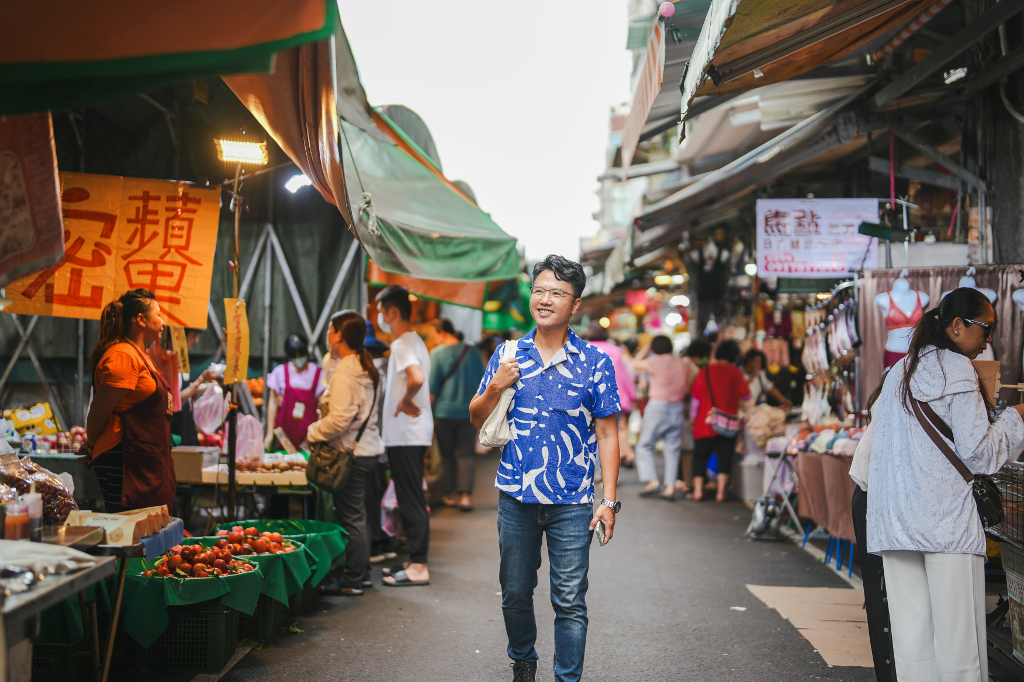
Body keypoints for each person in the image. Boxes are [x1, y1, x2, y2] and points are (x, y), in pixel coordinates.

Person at [470, 255, 621, 682]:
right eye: (539, 290)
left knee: (570, 600)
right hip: (515, 497)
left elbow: (609, 435)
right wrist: (497, 385)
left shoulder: (595, 362)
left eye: (556, 293)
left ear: (575, 305)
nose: (545, 299)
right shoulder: (507, 354)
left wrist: (607, 500)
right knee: (515, 594)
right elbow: (475, 417)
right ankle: (523, 658)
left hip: (572, 501)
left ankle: (566, 679)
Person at [866, 288, 1024, 681]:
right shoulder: (958, 369)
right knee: (958, 643)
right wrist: (1017, 417)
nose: (989, 339)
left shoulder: (898, 371)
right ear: (957, 326)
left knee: (911, 641)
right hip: (945, 522)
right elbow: (981, 455)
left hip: (894, 522)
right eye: (985, 328)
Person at [307, 314, 383, 596]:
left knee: (352, 518)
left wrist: (312, 432)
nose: (328, 334)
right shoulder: (362, 365)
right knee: (358, 516)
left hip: (352, 452)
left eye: (330, 330)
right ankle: (359, 575)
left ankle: (352, 579)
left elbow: (339, 419)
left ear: (339, 335)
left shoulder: (347, 370)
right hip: (366, 449)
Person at [84, 289, 176, 512]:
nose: (163, 322)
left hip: (147, 462)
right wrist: (91, 446)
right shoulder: (123, 356)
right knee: (127, 535)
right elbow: (98, 412)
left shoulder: (141, 356)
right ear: (141, 319)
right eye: (158, 314)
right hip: (127, 464)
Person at [376, 286, 434, 586]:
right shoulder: (415, 341)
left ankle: (419, 566)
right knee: (411, 496)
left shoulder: (401, 344)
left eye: (381, 312)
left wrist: (407, 399)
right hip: (411, 434)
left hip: (406, 435)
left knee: (410, 499)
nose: (379, 317)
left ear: (393, 312)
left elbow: (417, 378)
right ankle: (414, 558)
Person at [429, 317, 485, 512]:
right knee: (466, 454)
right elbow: (483, 383)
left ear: (442, 332)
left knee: (447, 455)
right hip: (469, 413)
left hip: (443, 413)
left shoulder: (437, 354)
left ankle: (450, 494)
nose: (433, 339)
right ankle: (465, 497)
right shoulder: (474, 352)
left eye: (433, 335)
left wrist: (427, 413)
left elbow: (432, 388)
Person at [689, 339, 750, 502]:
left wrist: (693, 418)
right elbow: (747, 395)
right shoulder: (736, 373)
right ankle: (721, 492)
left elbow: (696, 398)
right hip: (728, 423)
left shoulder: (706, 371)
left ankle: (698, 491)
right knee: (725, 457)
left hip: (706, 421)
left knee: (700, 457)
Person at [631, 335, 691, 500]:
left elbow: (635, 363)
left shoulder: (655, 361)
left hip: (658, 406)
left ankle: (652, 481)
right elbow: (687, 389)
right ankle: (670, 487)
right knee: (672, 449)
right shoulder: (682, 363)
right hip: (677, 408)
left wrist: (647, 346)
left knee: (644, 445)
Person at [583, 321, 636, 468]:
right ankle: (607, 473)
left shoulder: (585, 349)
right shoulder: (616, 350)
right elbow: (623, 376)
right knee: (609, 435)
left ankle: (597, 472)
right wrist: (632, 395)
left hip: (588, 398)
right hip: (613, 397)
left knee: (591, 435)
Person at [263, 333, 324, 451]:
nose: (299, 359)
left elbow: (322, 406)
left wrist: (320, 435)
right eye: (295, 357)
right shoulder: (280, 372)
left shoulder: (319, 374)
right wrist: (269, 433)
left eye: (301, 355)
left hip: (309, 437)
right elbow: (272, 402)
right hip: (283, 435)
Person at [170, 328, 218, 446]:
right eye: (193, 335)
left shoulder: (181, 360)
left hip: (188, 432)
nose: (196, 340)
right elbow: (175, 399)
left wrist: (208, 386)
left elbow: (183, 389)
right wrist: (201, 380)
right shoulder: (168, 361)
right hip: (177, 434)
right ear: (180, 336)